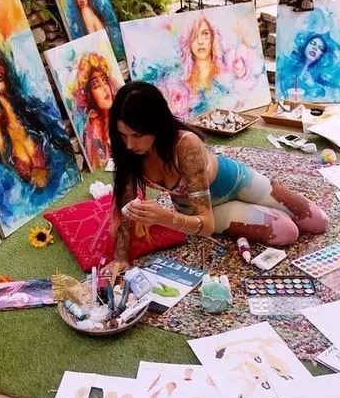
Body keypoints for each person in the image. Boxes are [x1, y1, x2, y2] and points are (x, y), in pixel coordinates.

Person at [108, 82, 328, 269]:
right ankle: (260, 213)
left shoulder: (185, 145)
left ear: (156, 125)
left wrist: (165, 218)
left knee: (318, 221)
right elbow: (205, 225)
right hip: (202, 210)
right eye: (123, 135)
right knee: (287, 232)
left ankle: (262, 209)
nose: (129, 144)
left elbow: (202, 224)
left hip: (236, 180)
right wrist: (120, 258)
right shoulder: (127, 152)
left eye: (137, 135)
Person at [0, 45, 71, 188]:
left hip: (59, 178)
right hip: (28, 191)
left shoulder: (29, 107)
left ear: (6, 70)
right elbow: (5, 167)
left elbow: (56, 142)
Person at [71, 52, 117, 169]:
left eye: (105, 80)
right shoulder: (94, 128)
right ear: (89, 95)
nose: (104, 87)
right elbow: (100, 162)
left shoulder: (122, 114)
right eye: (96, 84)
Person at [278, 31, 340, 101]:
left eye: (320, 48)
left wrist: (312, 85)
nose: (315, 48)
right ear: (305, 45)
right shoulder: (289, 65)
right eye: (312, 43)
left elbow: (322, 95)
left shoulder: (320, 76)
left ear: (321, 55)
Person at [180, 15, 224, 95]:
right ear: (188, 41)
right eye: (194, 35)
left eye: (205, 34)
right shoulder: (183, 80)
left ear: (212, 37)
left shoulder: (224, 75)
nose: (200, 41)